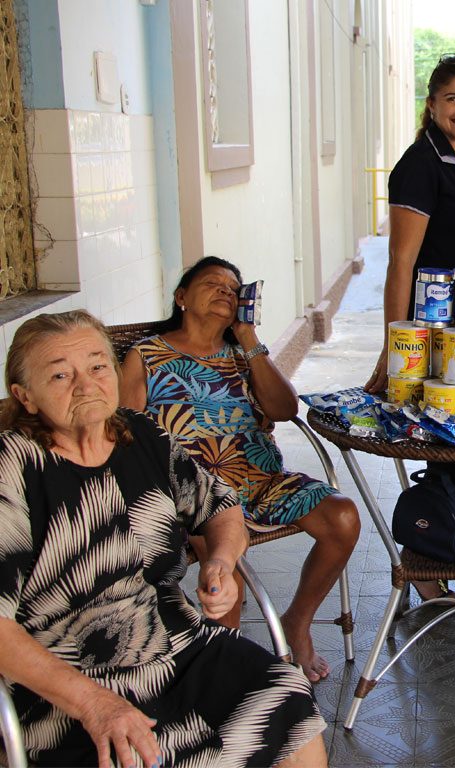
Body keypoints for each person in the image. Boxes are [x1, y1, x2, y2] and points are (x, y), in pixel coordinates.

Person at [0, 310, 328, 768]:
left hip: (175, 640)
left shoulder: (142, 435)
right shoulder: (13, 469)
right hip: (66, 674)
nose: (85, 384)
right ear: (25, 396)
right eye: (60, 374)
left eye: (97, 366)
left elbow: (221, 507)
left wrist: (221, 559)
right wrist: (93, 703)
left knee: (288, 696)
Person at [120, 256, 360, 684]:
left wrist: (250, 341)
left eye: (233, 290)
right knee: (224, 564)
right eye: (211, 284)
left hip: (261, 482)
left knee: (342, 517)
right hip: (193, 495)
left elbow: (284, 410)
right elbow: (123, 433)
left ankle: (296, 623)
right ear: (181, 297)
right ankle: (222, 671)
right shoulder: (146, 355)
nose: (225, 292)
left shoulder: (242, 354)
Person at [362, 53, 455, 602]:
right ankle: (433, 565)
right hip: (433, 331)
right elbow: (402, 262)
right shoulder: (420, 163)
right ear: (432, 103)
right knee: (444, 452)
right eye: (453, 99)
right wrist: (396, 345)